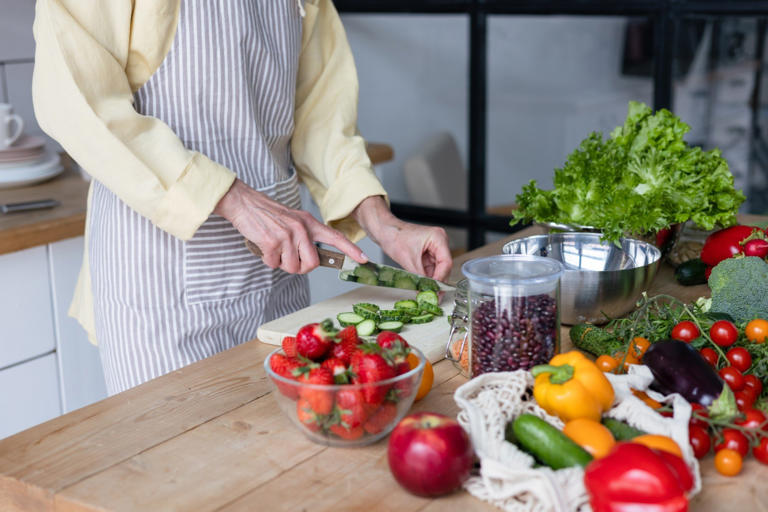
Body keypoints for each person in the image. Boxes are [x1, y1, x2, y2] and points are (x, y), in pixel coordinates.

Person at [32, 0, 452, 394]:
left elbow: (321, 113)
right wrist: (233, 199)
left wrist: (382, 221)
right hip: (162, 277)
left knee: (281, 452)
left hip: (280, 269)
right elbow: (77, 101)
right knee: (176, 462)